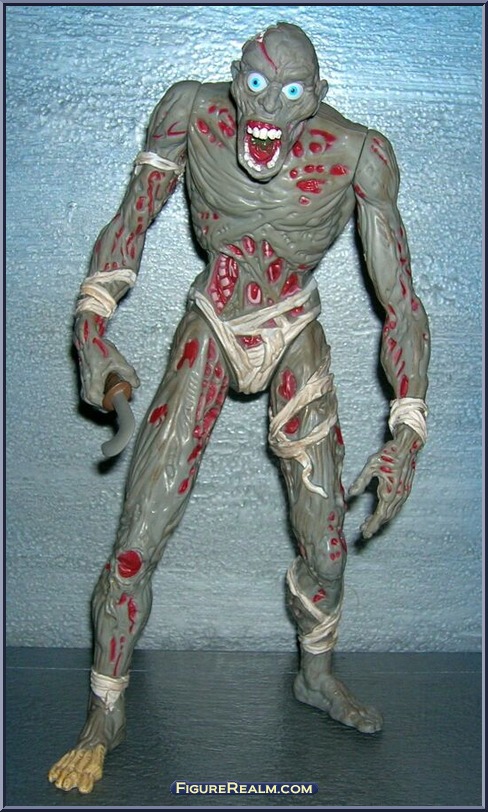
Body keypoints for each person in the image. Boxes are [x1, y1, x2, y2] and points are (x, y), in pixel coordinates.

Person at [49, 22, 430, 793]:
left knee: (327, 548)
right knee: (139, 535)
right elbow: (131, 220)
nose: (268, 111)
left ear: (316, 97)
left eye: (290, 94)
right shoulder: (192, 113)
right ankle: (105, 713)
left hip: (294, 330)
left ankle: (315, 675)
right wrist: (91, 324)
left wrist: (408, 429)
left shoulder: (358, 153)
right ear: (234, 78)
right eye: (256, 86)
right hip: (214, 323)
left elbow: (402, 302)